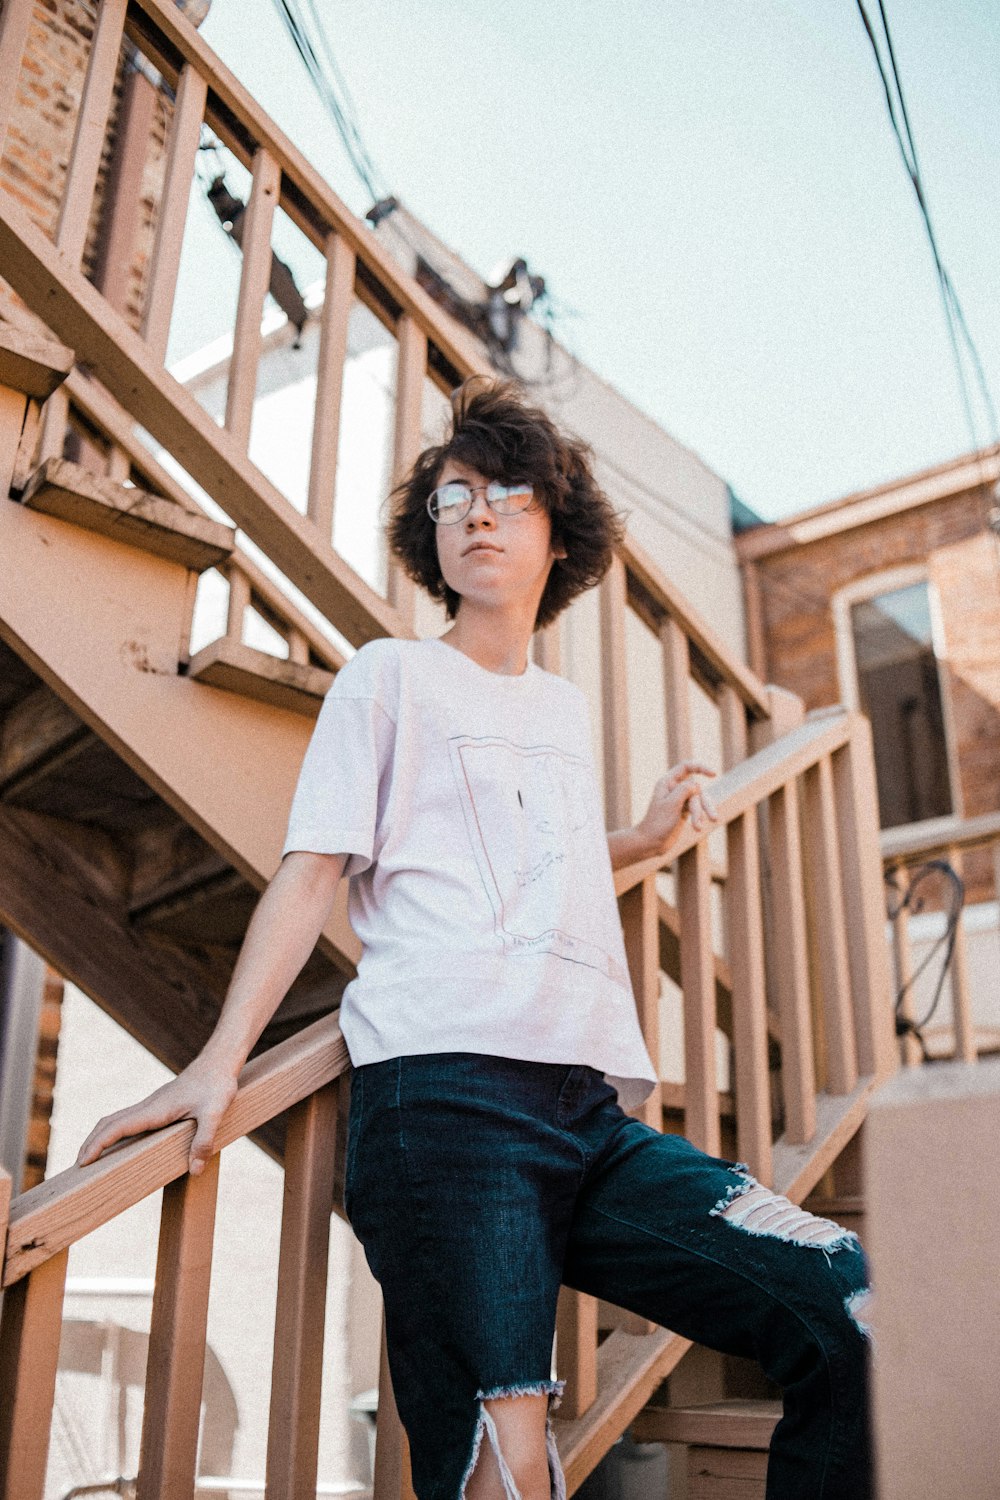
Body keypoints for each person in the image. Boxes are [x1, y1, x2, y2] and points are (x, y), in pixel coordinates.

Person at [76, 377, 873, 1500]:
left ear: (558, 535)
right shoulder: (387, 677)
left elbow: (519, 864)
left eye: (508, 492)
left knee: (847, 1303)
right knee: (507, 1466)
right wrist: (217, 1062)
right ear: (431, 536)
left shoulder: (558, 711)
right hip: (446, 1103)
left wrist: (638, 842)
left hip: (587, 1113)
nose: (481, 513)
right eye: (454, 499)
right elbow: (313, 872)